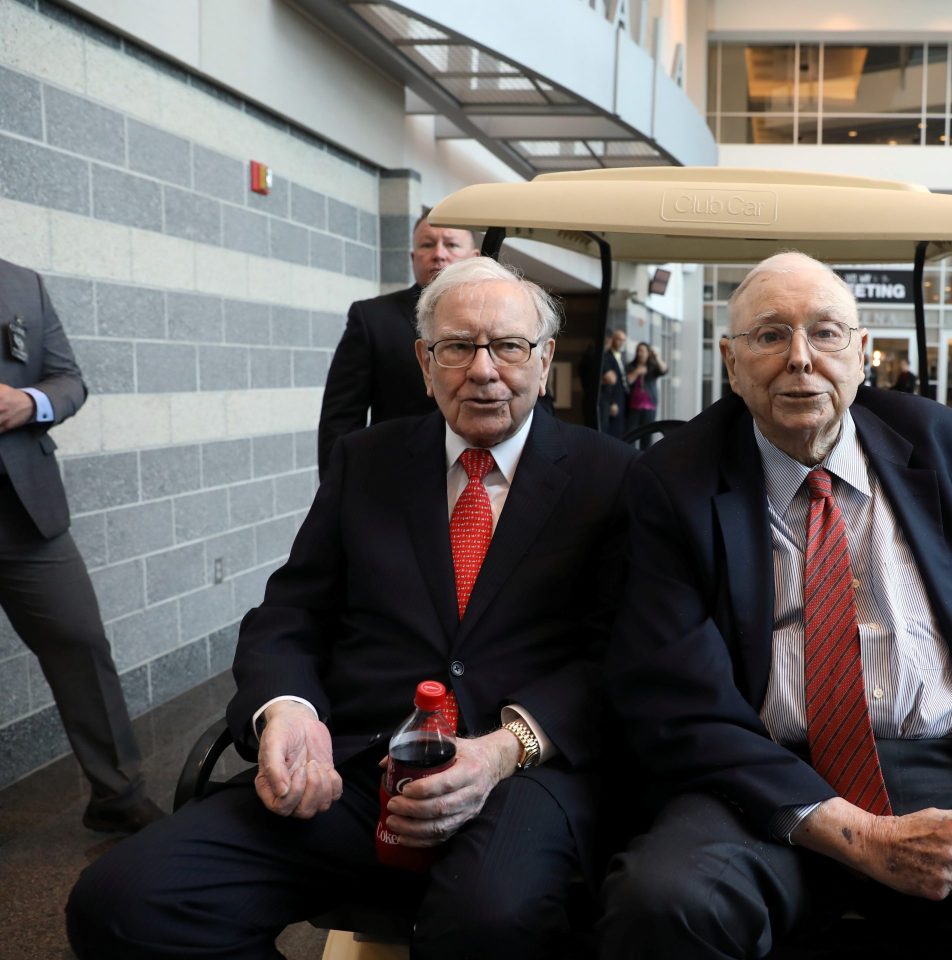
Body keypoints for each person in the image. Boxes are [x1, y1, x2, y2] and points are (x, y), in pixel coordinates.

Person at [599, 252, 952, 959]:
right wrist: (862, 836)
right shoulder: (670, 481)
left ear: (863, 352)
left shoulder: (940, 441)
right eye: (771, 336)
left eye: (827, 333)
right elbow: (673, 695)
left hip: (941, 769)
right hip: (759, 779)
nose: (801, 360)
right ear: (731, 361)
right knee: (661, 907)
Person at [68, 257, 636, 960]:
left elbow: (620, 653)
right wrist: (288, 712)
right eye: (457, 347)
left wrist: (503, 750)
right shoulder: (367, 460)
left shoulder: (611, 477)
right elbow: (291, 613)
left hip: (517, 777)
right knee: (124, 904)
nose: (483, 370)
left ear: (545, 360)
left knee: (490, 923)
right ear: (425, 364)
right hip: (355, 769)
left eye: (509, 347)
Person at [0, 258, 164, 835]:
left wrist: (28, 404)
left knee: (80, 641)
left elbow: (69, 380)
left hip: (26, 514)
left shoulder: (23, 284)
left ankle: (117, 795)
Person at [316, 211, 482, 477]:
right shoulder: (372, 318)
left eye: (451, 244)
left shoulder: (503, 317)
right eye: (427, 244)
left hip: (488, 478)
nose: (439, 254)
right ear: (413, 257)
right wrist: (338, 492)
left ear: (474, 258)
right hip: (396, 476)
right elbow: (340, 419)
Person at [624, 341, 668, 449]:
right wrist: (637, 371)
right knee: (631, 435)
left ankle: (644, 459)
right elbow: (628, 380)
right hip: (633, 407)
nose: (640, 353)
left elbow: (664, 370)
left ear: (648, 353)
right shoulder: (631, 366)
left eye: (642, 351)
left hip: (649, 407)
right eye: (638, 351)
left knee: (647, 437)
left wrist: (656, 356)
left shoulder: (652, 366)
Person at [598, 328, 629, 439]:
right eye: (619, 339)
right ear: (612, 340)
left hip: (622, 399)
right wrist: (612, 402)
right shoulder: (607, 356)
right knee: (612, 433)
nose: (621, 342)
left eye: (623, 340)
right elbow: (609, 383)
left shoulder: (622, 356)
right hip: (612, 400)